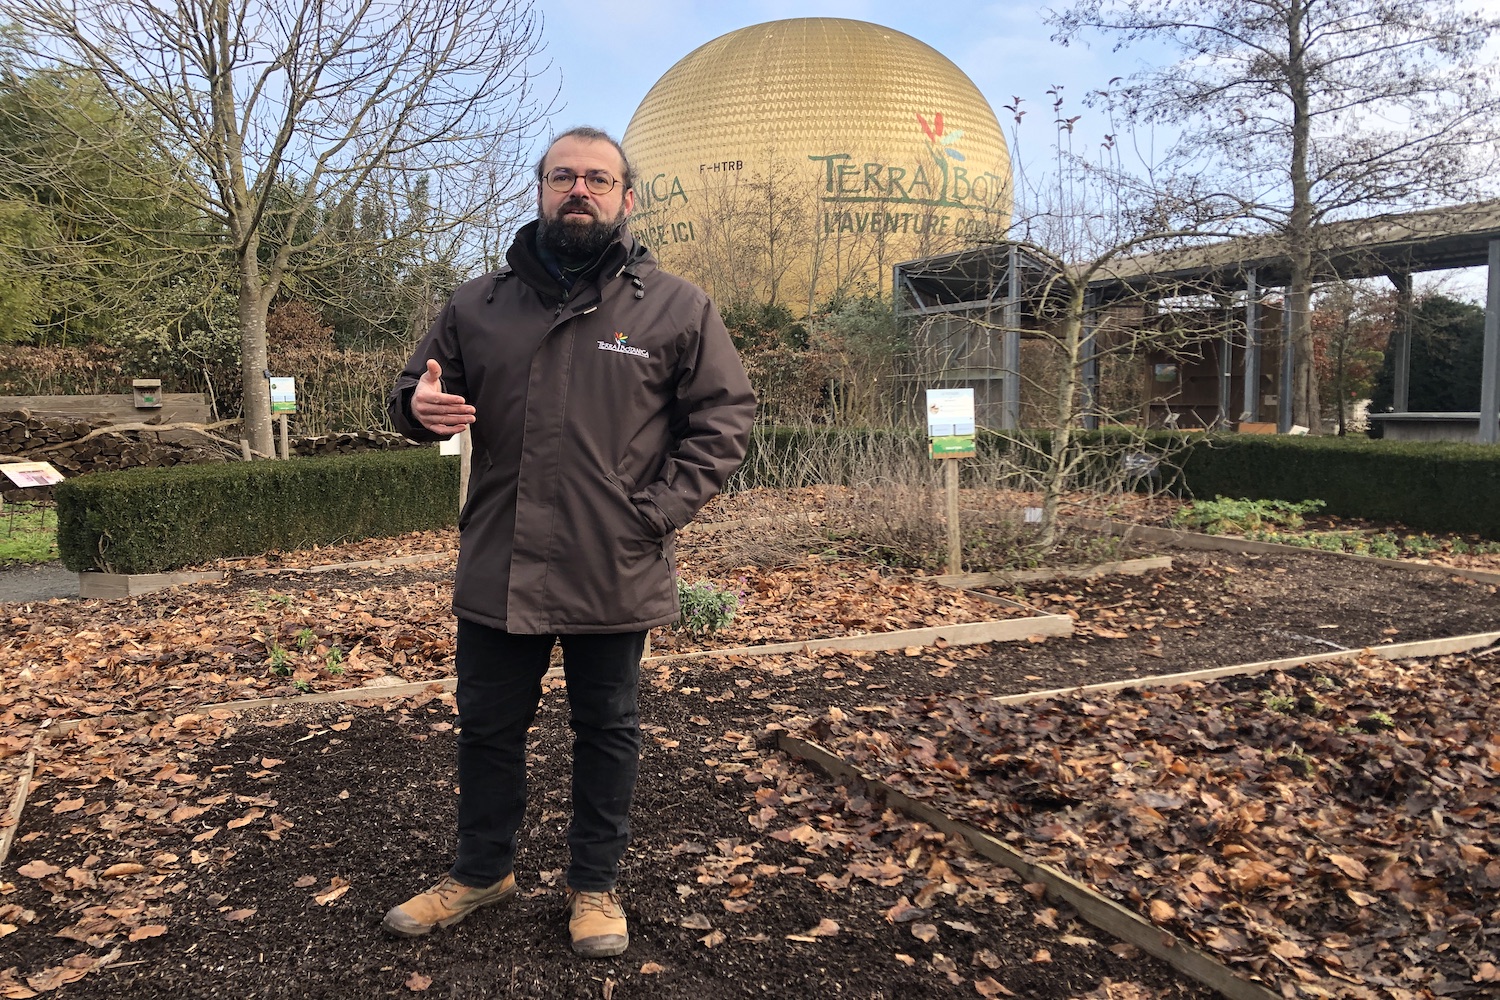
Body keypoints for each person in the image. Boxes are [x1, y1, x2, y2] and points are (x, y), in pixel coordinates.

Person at [380, 126, 755, 957]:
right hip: (500, 560)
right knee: (486, 726)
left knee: (607, 726)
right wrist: (417, 410)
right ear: (541, 189)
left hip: (611, 560)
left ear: (627, 197)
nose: (578, 190)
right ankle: (481, 873)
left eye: (597, 178)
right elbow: (414, 390)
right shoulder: (477, 305)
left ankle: (595, 887)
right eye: (562, 177)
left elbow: (725, 419)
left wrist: (654, 513)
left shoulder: (675, 306)